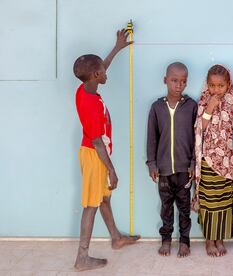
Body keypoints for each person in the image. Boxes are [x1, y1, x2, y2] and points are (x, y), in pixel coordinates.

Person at [73, 29, 139, 271]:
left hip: (96, 153)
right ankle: (82, 258)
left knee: (104, 198)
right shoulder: (89, 105)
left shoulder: (86, 88)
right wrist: (112, 170)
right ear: (96, 75)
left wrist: (117, 47)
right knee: (91, 204)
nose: (106, 73)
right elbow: (98, 142)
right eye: (103, 71)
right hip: (94, 155)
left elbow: (101, 66)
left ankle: (116, 238)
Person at [146, 62, 197, 258]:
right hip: (164, 170)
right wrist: (152, 163)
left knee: (184, 208)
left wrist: (193, 163)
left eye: (183, 81)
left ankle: (185, 242)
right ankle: (166, 239)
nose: (179, 85)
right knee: (166, 207)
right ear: (165, 80)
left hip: (185, 169)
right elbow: (152, 138)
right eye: (174, 80)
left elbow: (196, 138)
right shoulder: (157, 107)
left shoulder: (191, 106)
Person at [194, 64, 233, 257]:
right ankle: (209, 240)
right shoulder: (204, 99)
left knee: (223, 201)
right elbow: (199, 128)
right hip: (208, 160)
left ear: (228, 84)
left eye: (220, 86)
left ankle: (220, 238)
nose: (216, 90)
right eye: (212, 85)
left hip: (227, 162)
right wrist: (210, 107)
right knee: (210, 201)